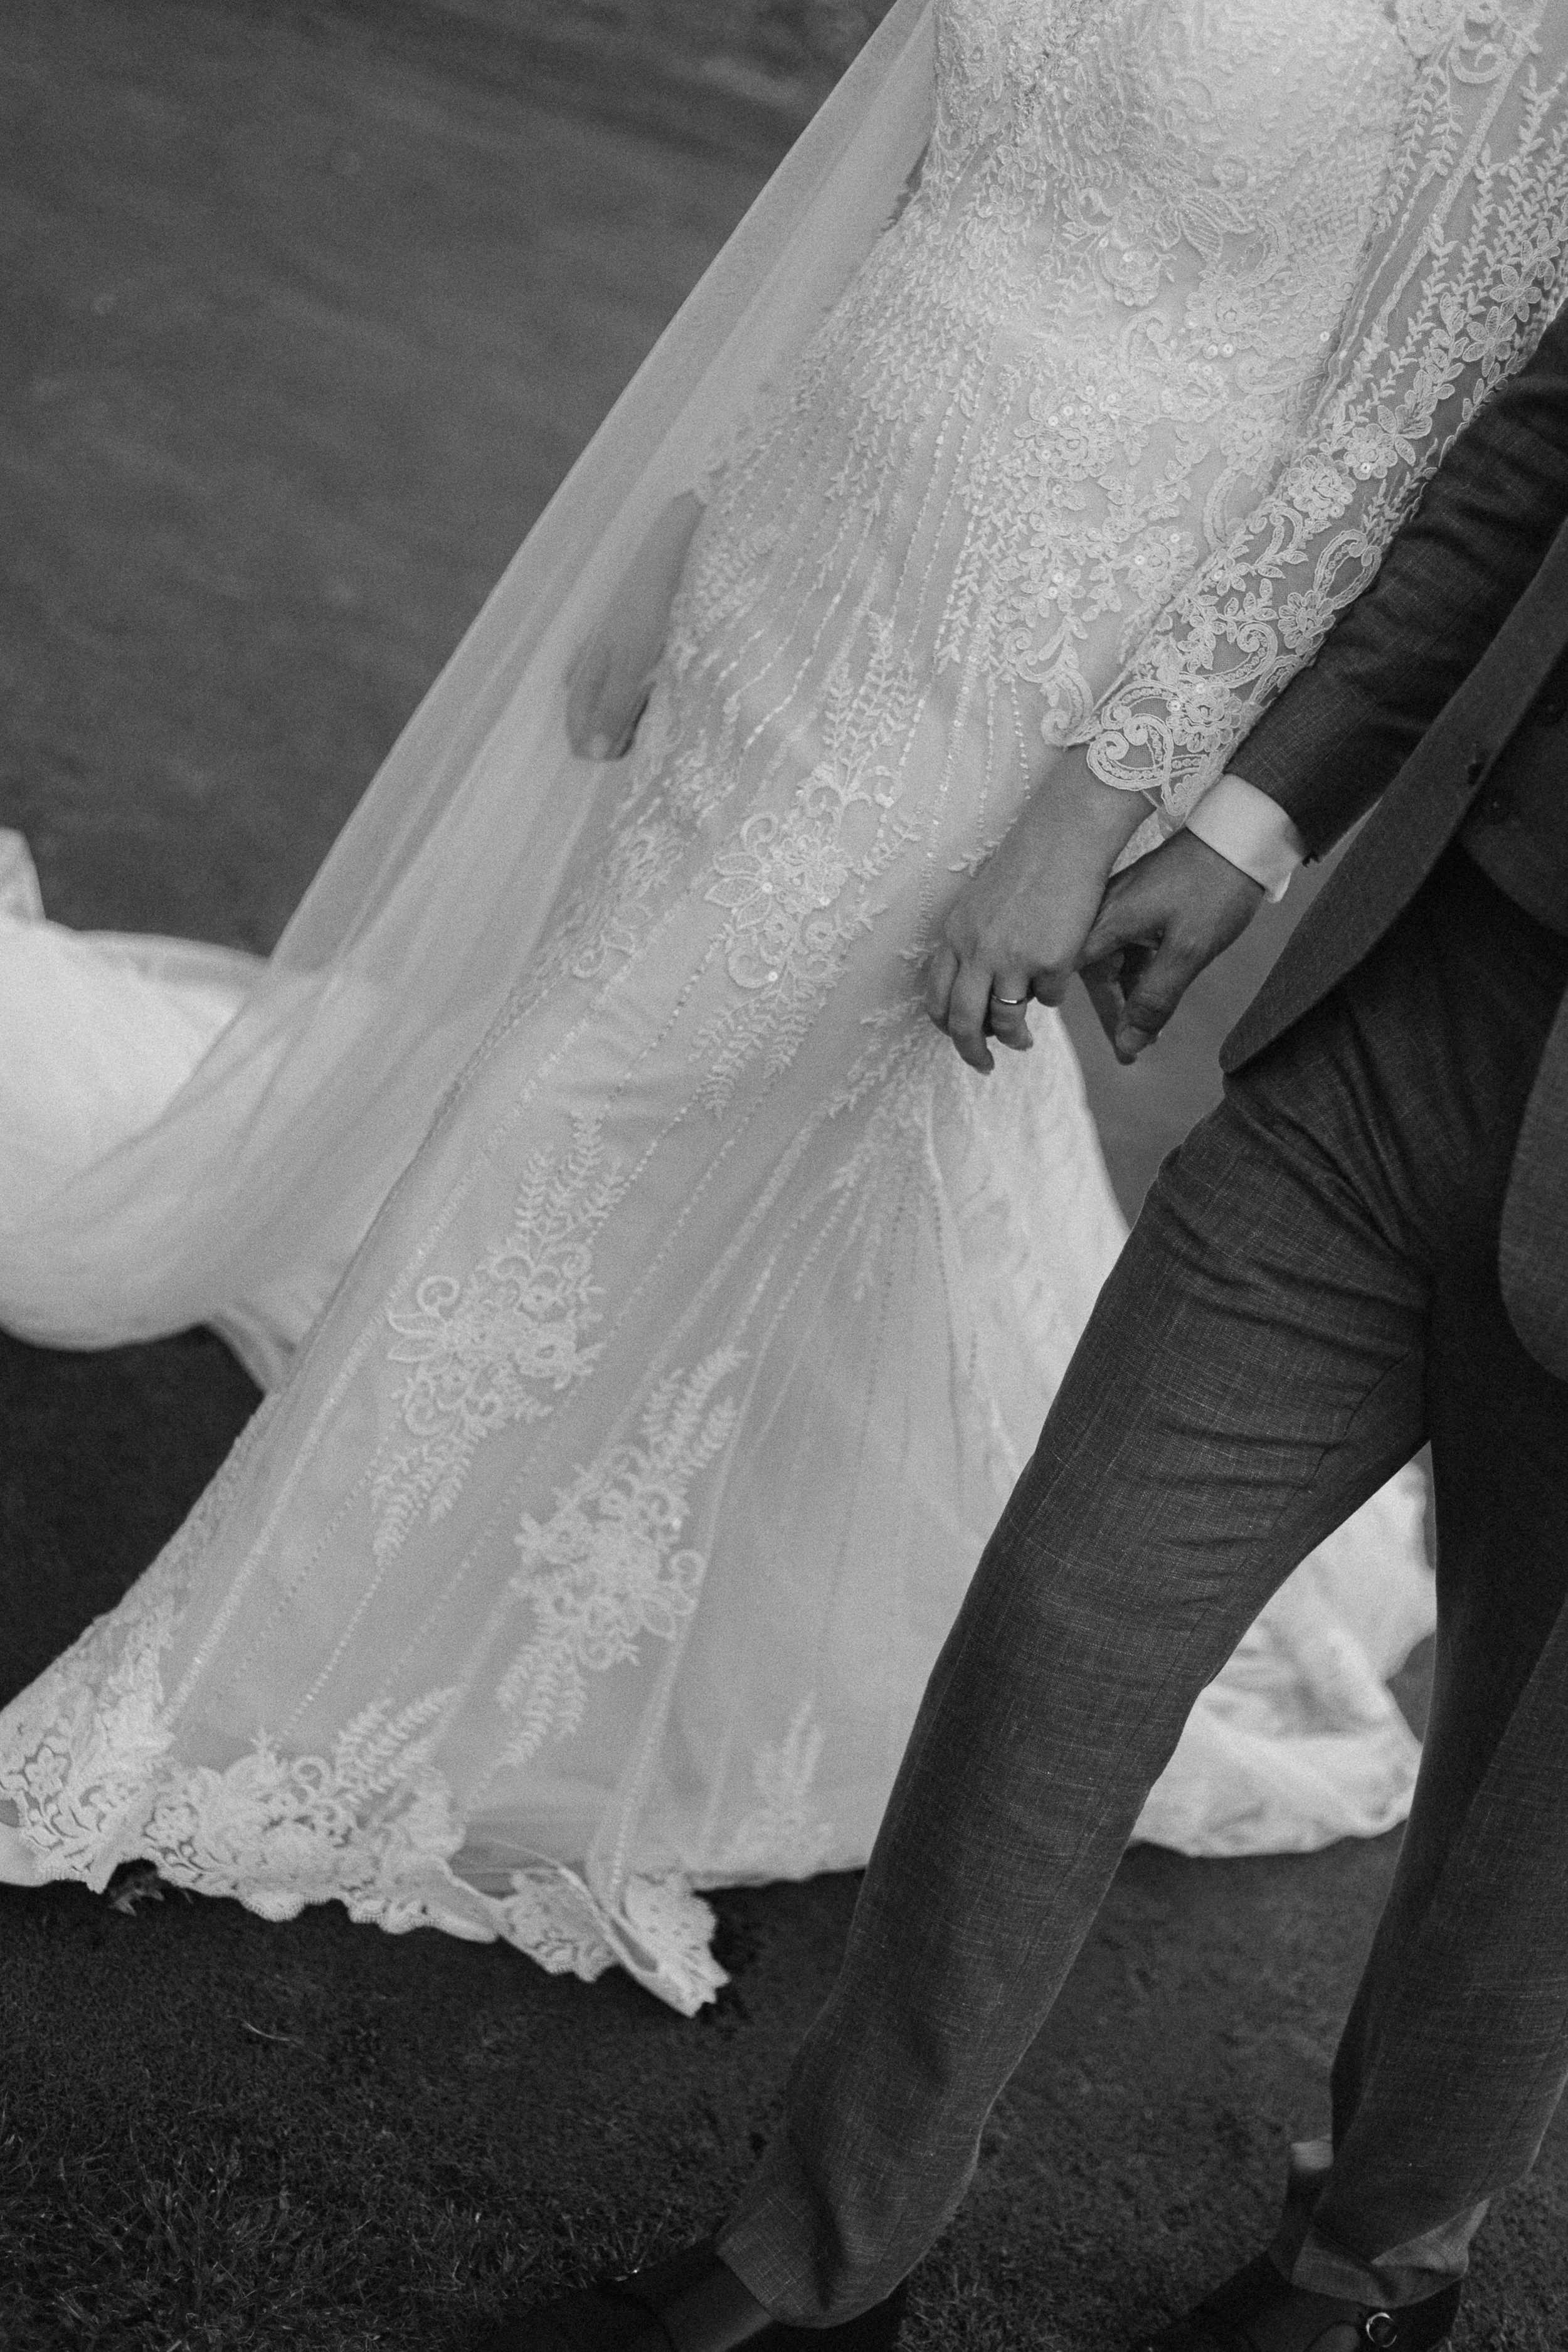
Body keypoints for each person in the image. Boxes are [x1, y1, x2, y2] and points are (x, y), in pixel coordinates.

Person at [0, 1, 1559, 2010]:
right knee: (693, 1105)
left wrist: (1093, 806)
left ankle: (240, 1694)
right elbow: (909, 183)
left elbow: (1385, 435)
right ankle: (736, 1561)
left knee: (593, 1091)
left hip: (1040, 640)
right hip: (821, 533)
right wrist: (698, 502)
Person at [492, 256, 1568, 2352]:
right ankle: (819, 2261)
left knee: (1528, 1811)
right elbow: (1514, 474)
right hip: (1403, 1026)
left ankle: (1367, 2278)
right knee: (1066, 1614)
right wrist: (1251, 830)